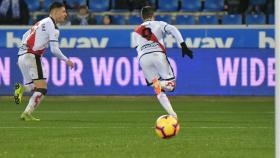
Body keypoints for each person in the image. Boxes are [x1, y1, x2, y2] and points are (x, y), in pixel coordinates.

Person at [14, 2, 74, 121]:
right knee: (42, 89)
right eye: (63, 11)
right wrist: (66, 60)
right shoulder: (50, 24)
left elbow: (24, 35)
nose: (65, 14)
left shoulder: (41, 22)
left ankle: (21, 88)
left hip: (22, 56)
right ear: (55, 12)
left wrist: (23, 52)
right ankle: (27, 113)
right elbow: (54, 50)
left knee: (33, 87)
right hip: (32, 56)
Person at [132, 6, 193, 119]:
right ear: (153, 15)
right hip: (157, 55)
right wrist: (183, 46)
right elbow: (173, 29)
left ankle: (173, 115)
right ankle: (159, 83)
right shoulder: (159, 24)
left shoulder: (136, 31)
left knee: (158, 90)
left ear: (142, 17)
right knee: (171, 85)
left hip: (143, 58)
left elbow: (137, 46)